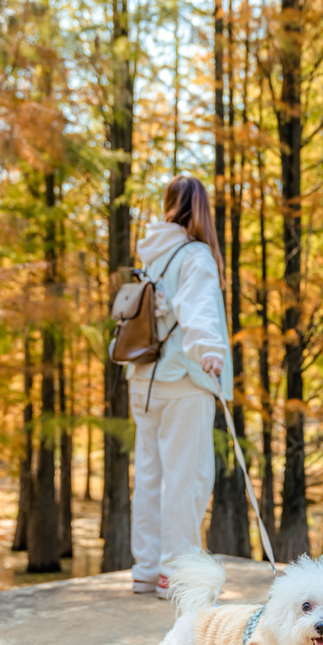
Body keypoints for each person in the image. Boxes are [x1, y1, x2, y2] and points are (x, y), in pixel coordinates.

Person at [128, 175, 232, 597]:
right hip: (185, 381)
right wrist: (211, 350)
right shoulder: (195, 255)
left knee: (150, 475)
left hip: (143, 380)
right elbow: (199, 305)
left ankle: (147, 569)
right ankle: (178, 572)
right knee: (186, 478)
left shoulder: (153, 254)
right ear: (200, 208)